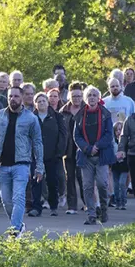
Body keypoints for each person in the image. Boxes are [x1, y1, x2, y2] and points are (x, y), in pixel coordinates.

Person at [0, 87, 43, 238]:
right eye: (10, 96)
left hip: (21, 164)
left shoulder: (31, 118)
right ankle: (19, 225)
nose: (12, 99)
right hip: (2, 164)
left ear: (22, 98)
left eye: (16, 96)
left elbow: (37, 143)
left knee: (18, 197)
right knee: (6, 201)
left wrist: (40, 166)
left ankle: (14, 230)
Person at [73, 86, 115, 225]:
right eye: (89, 95)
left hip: (101, 155)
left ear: (99, 98)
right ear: (86, 98)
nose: (91, 97)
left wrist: (97, 146)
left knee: (103, 184)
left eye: (94, 95)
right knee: (87, 186)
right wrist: (87, 148)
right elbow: (76, 135)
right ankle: (91, 214)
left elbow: (109, 134)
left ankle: (103, 210)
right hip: (86, 156)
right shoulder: (80, 115)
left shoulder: (105, 114)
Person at [28, 92, 67, 217]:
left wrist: (59, 151)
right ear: (35, 104)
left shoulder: (56, 116)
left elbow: (63, 135)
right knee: (36, 181)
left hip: (52, 154)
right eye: (38, 101)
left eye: (43, 100)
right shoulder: (31, 117)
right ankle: (36, 207)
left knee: (52, 181)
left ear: (48, 102)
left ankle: (53, 206)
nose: (41, 103)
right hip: (35, 155)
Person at [61, 82, 85, 214]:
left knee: (83, 178)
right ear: (70, 96)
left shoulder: (87, 109)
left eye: (79, 96)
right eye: (74, 96)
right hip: (68, 150)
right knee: (69, 178)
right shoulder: (63, 111)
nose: (76, 98)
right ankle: (72, 206)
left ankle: (87, 203)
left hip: (83, 150)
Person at [111, 121, 130, 210]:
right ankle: (117, 201)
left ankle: (123, 201)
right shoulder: (112, 142)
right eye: (117, 130)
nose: (118, 132)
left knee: (122, 183)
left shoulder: (127, 142)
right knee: (116, 184)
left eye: (120, 130)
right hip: (115, 165)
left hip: (124, 165)